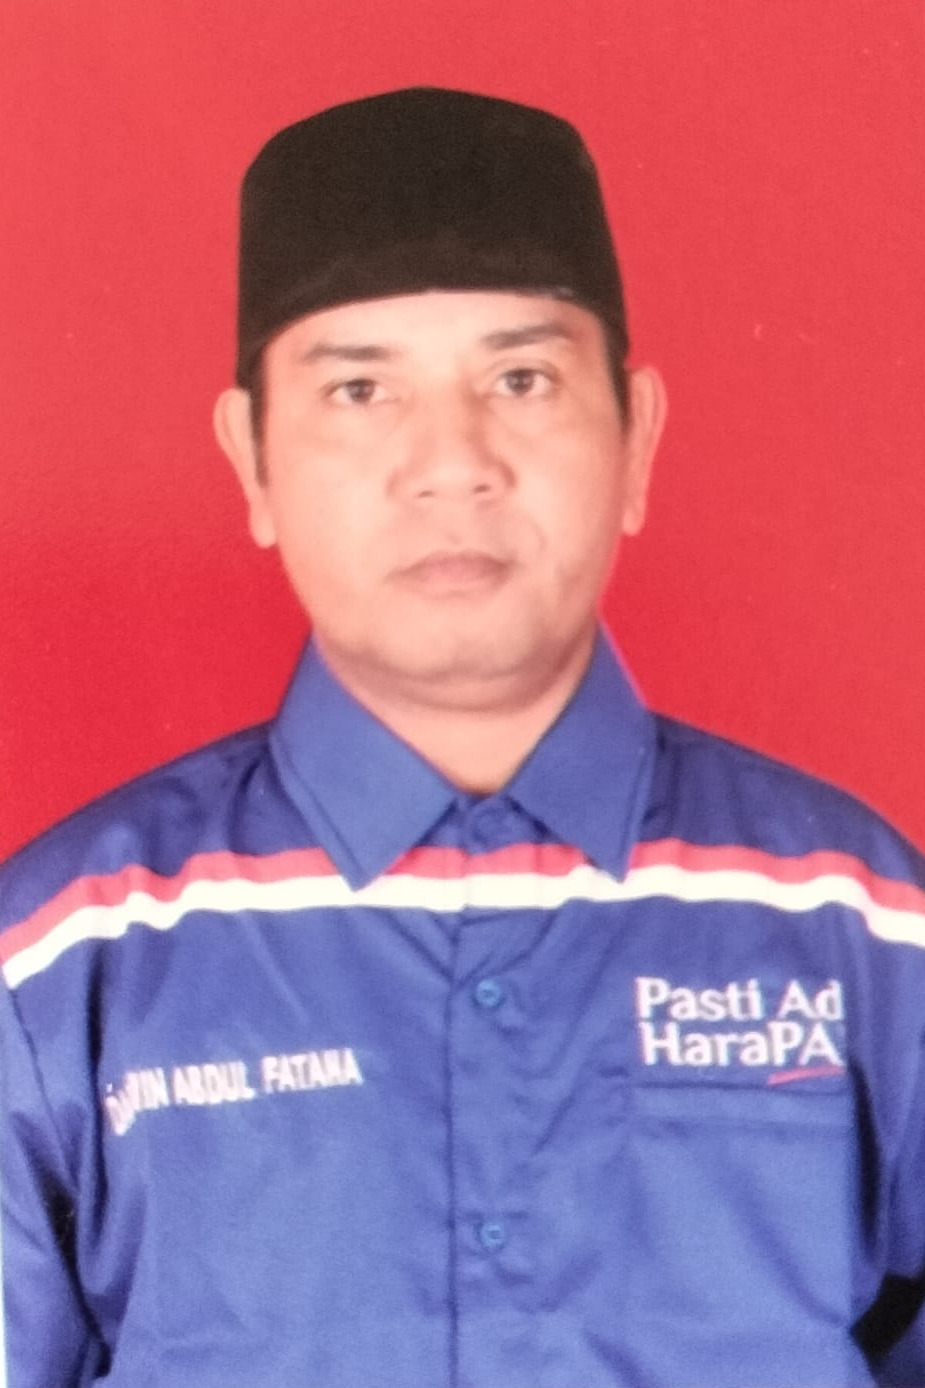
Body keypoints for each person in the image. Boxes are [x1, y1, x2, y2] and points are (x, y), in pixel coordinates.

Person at [1, 86, 924, 1388]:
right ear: (253, 461)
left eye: (521, 378)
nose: (452, 461)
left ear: (637, 438)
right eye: (360, 388)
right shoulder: (59, 967)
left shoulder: (865, 932)